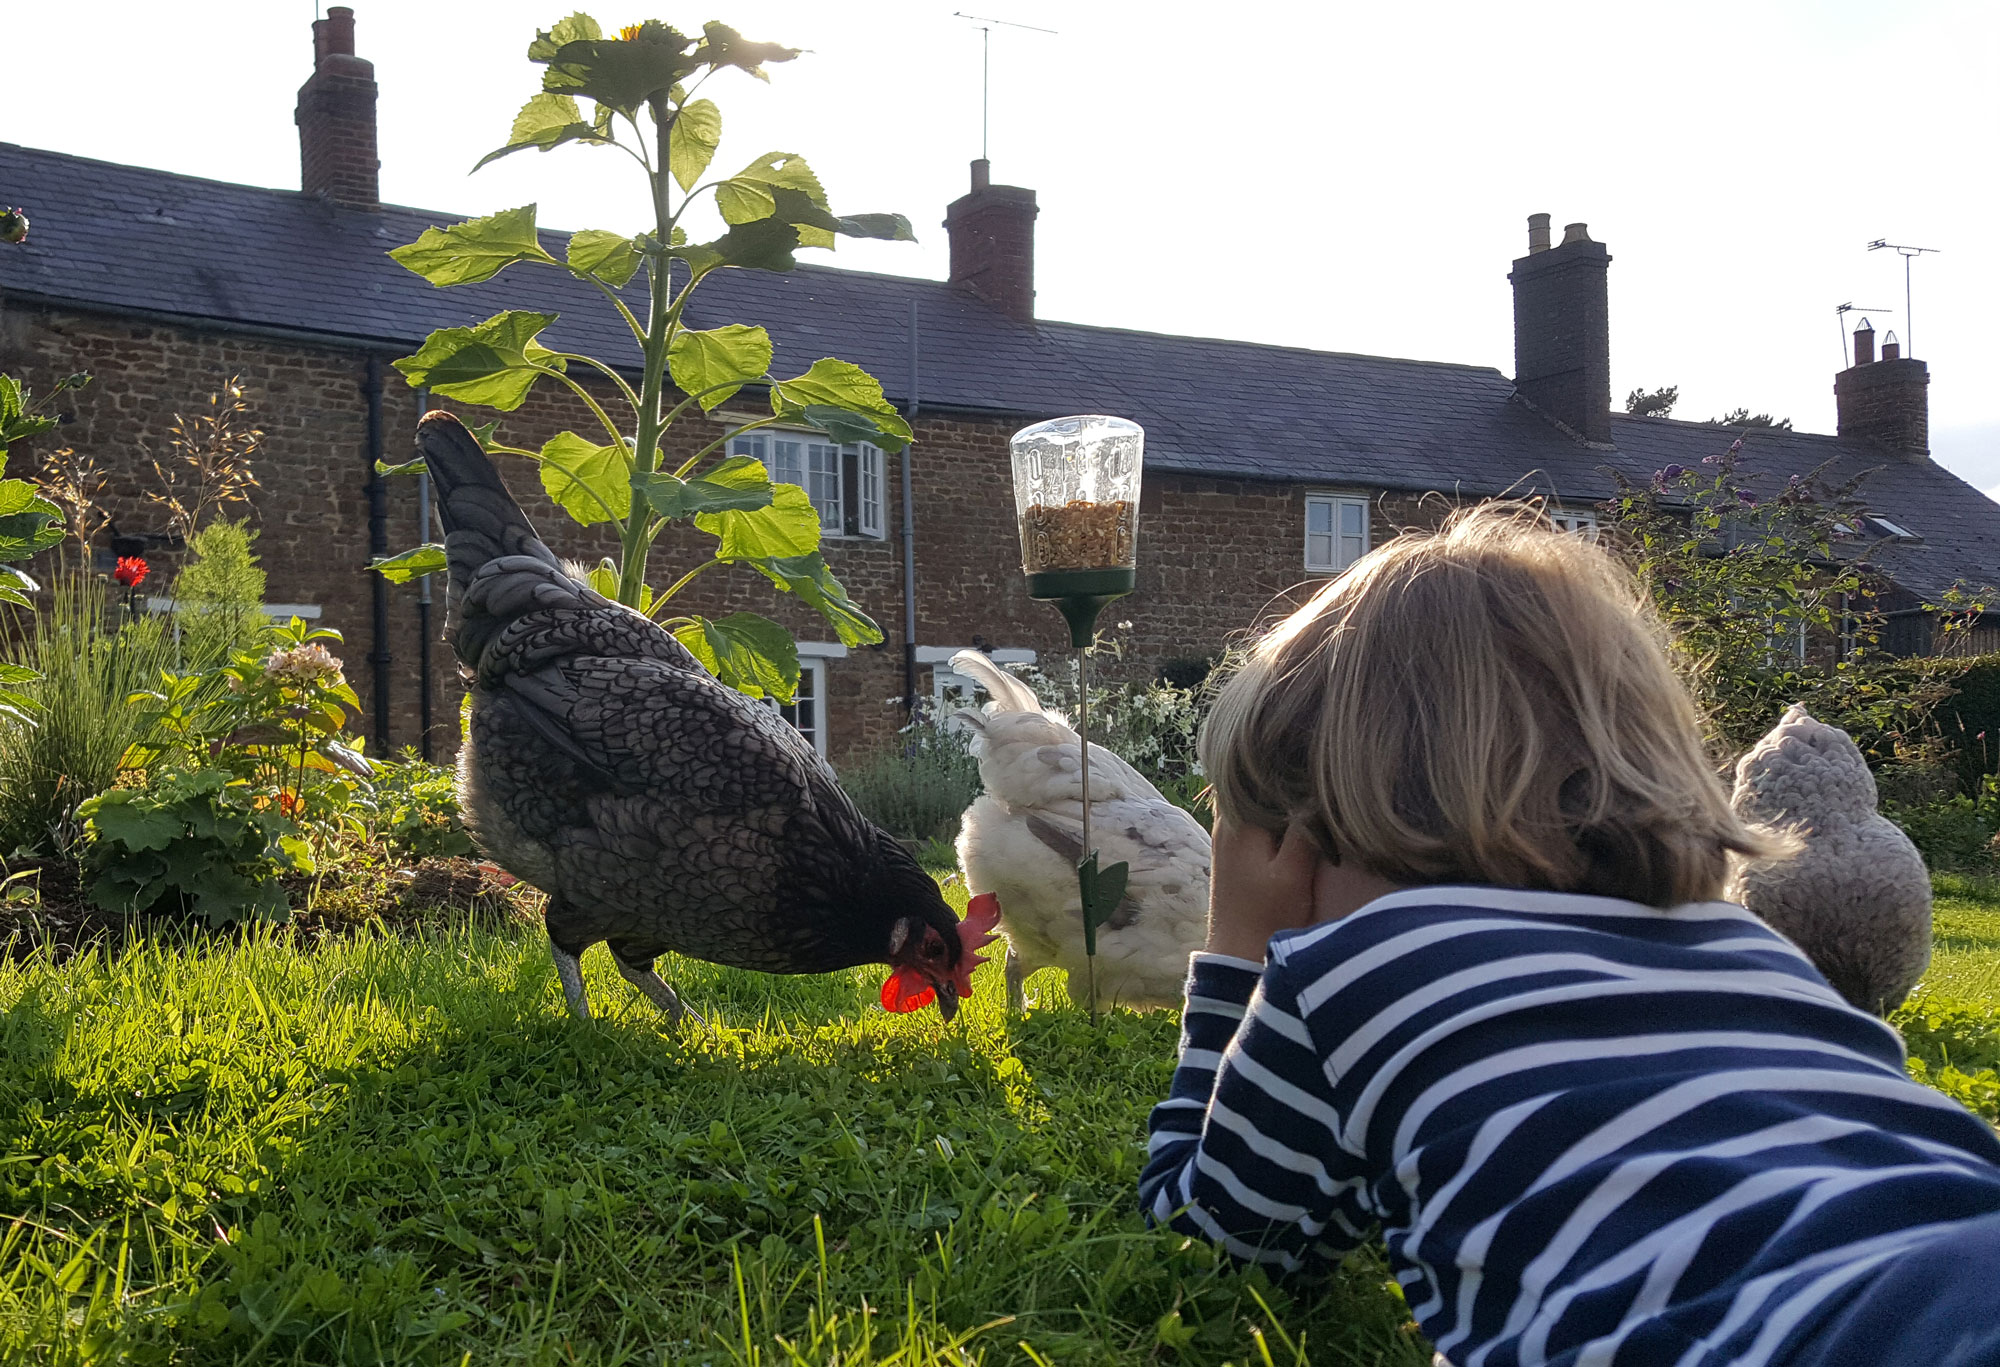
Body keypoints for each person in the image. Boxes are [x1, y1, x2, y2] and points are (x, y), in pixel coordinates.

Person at [1140, 504, 2000, 1366]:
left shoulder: (1345, 971)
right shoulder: (1757, 951)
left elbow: (1218, 1240)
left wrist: (1240, 951)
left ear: (1304, 832)